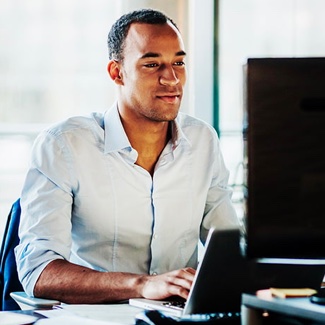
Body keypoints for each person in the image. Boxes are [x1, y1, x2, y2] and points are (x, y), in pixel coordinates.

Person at [15, 8, 239, 304]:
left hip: (181, 315)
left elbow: (230, 249)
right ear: (116, 72)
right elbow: (39, 272)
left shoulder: (202, 141)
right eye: (152, 64)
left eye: (179, 62)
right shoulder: (64, 145)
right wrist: (142, 285)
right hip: (99, 319)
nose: (171, 78)